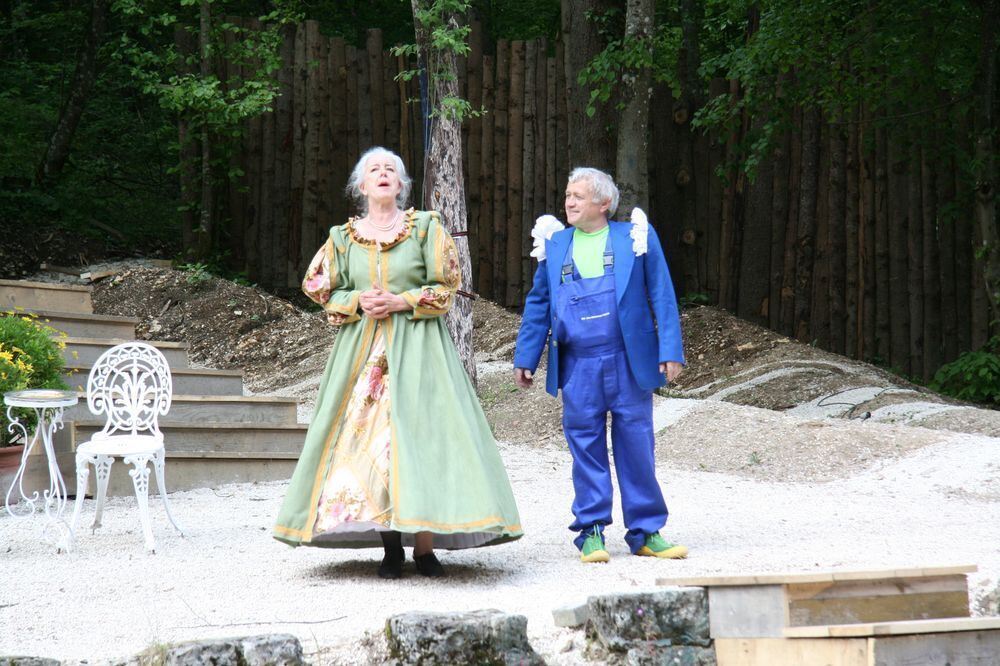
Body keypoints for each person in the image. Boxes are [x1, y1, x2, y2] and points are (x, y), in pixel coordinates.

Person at [274, 146, 522, 578]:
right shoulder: (342, 238)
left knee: (422, 439)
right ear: (362, 185)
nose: (384, 174)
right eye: (375, 169)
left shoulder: (425, 229)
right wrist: (356, 301)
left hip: (421, 351)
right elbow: (316, 286)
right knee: (370, 443)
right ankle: (391, 547)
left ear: (402, 185)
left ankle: (424, 548)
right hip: (362, 359)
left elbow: (447, 286)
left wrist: (401, 299)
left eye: (391, 169)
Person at [513, 167, 687, 563]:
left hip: (628, 362)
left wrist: (670, 349)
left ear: (603, 203)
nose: (568, 202)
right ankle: (591, 531)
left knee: (637, 446)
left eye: (578, 195)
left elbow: (662, 292)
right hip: (578, 365)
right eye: (568, 195)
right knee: (585, 447)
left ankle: (646, 531)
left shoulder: (634, 237)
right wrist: (526, 356)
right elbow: (539, 302)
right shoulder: (555, 243)